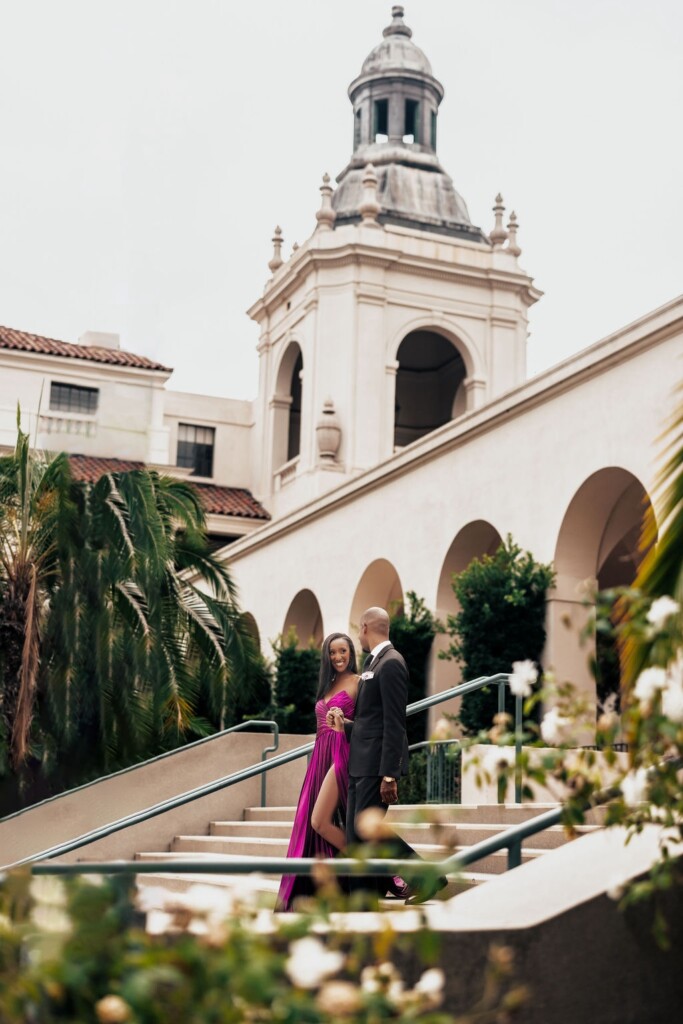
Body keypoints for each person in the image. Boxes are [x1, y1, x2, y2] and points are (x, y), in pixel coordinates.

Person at [276, 631, 408, 911]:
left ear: (351, 654)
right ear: (326, 655)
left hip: (345, 754)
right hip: (320, 756)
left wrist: (346, 721)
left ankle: (386, 872)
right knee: (331, 825)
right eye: (333, 652)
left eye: (344, 651)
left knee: (320, 821)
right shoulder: (326, 685)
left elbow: (369, 722)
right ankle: (376, 871)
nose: (338, 657)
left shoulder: (361, 682)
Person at [328, 606, 447, 905]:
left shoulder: (392, 662)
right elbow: (372, 721)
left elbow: (395, 722)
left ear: (367, 626)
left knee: (365, 831)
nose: (358, 634)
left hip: (376, 766)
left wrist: (390, 773)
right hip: (360, 762)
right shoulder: (374, 662)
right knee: (357, 836)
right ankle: (363, 903)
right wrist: (346, 726)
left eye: (359, 629)